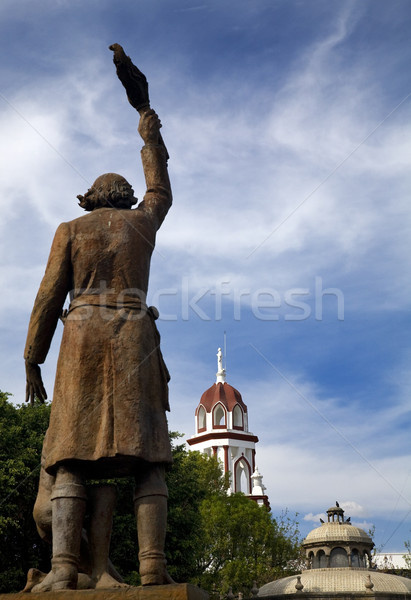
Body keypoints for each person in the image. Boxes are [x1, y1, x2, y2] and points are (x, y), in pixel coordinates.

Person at [24, 106, 173, 590]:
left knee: (70, 457)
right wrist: (148, 131)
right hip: (134, 338)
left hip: (82, 338)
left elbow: (48, 297)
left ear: (90, 199)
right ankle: (152, 567)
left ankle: (64, 566)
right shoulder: (142, 224)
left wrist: (33, 359)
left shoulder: (70, 229)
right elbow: (161, 193)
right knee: (148, 459)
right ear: (127, 197)